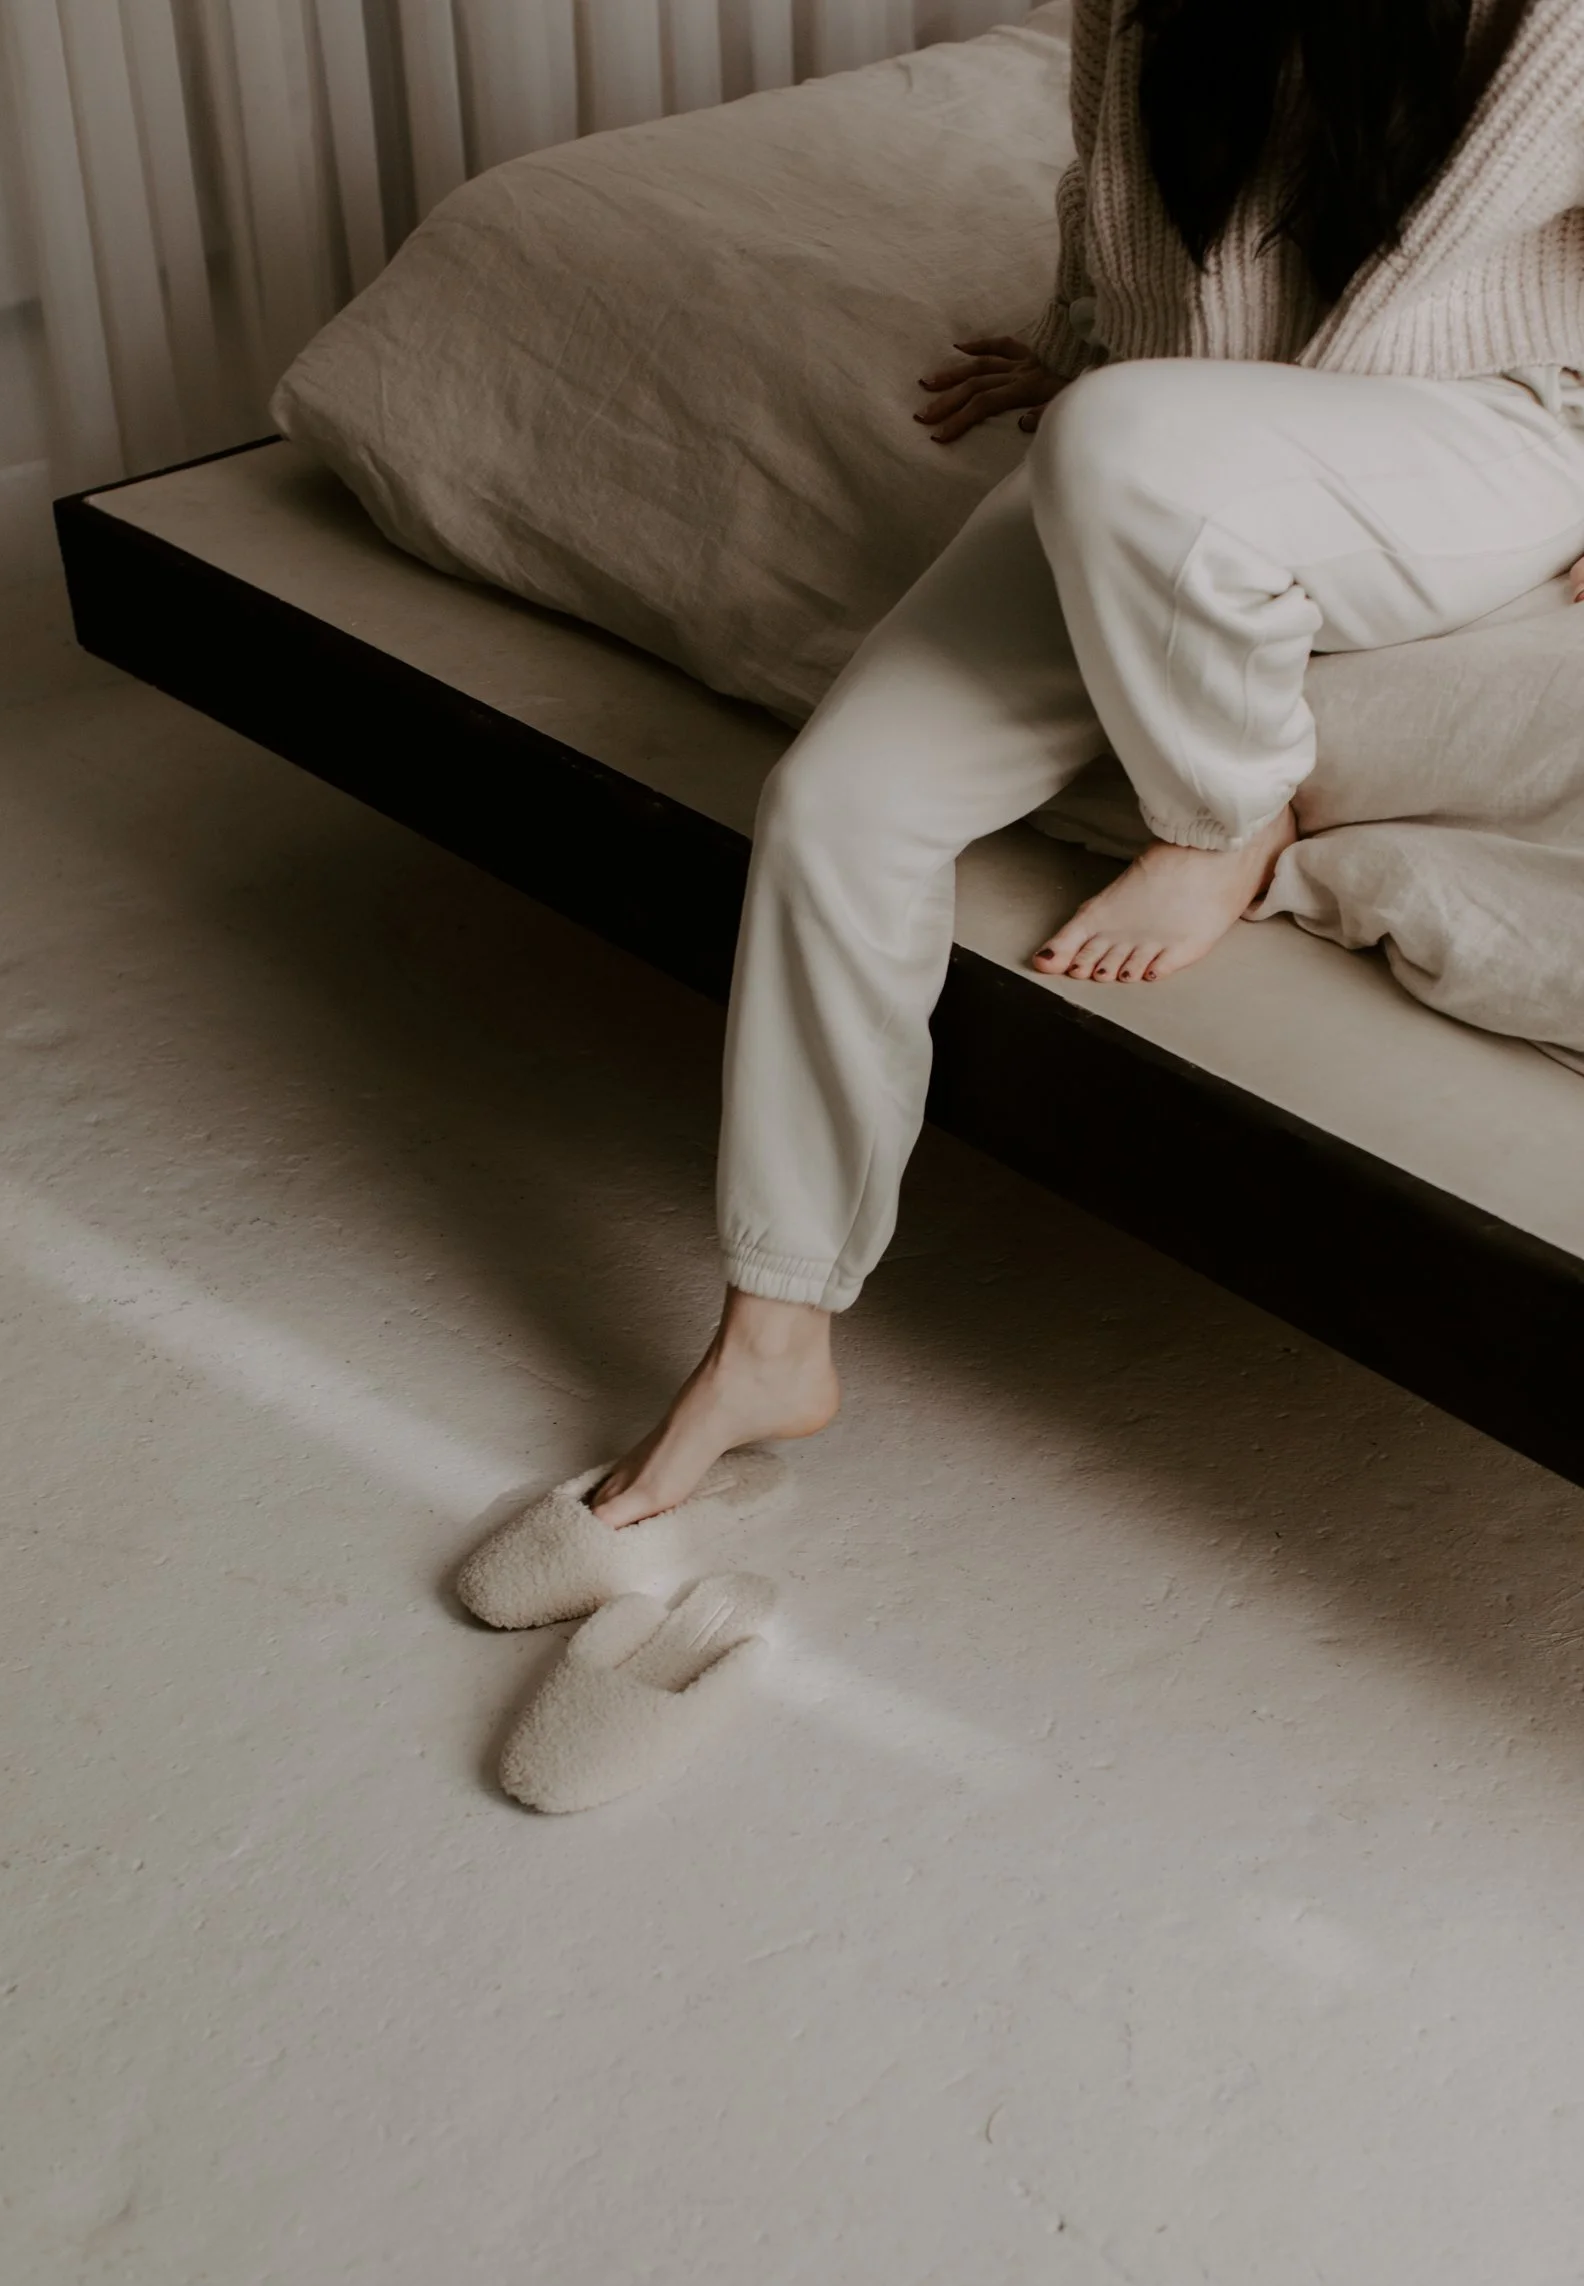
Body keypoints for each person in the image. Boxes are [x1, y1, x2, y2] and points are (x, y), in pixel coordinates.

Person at [590, 0, 1584, 1529]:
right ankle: (773, 1337)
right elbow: (1107, 186)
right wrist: (1072, 351)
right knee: (834, 807)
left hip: (1487, 431)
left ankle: (1227, 811)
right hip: (1196, 437)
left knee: (1121, 446)